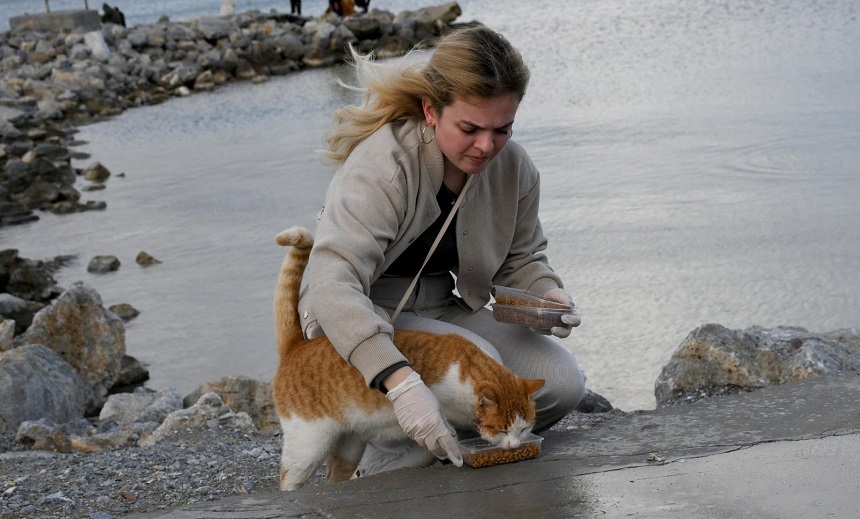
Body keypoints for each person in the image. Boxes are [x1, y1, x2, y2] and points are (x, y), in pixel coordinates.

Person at [296, 25, 586, 475]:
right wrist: (398, 378)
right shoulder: (383, 165)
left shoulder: (514, 168)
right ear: (431, 110)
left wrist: (547, 297)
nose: (487, 146)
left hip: (441, 308)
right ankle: (372, 462)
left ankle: (436, 441)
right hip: (353, 317)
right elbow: (330, 285)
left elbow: (522, 259)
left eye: (502, 129)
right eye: (470, 128)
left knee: (563, 384)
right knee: (478, 370)